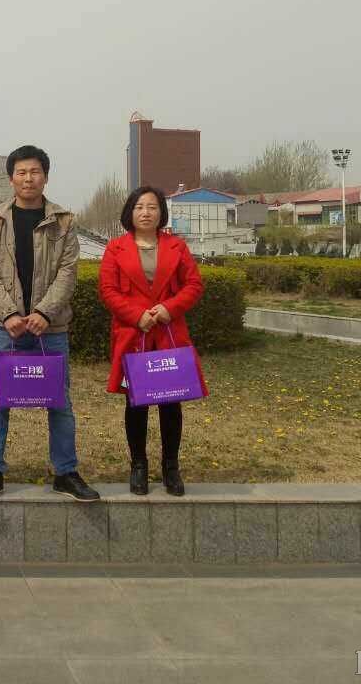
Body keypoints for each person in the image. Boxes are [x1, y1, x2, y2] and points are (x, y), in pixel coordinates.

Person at [0, 146, 100, 502]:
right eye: (21, 172)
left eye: (35, 172)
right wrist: (8, 314)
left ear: (45, 176)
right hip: (5, 328)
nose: (28, 178)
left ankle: (66, 472)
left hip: (51, 327)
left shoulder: (63, 220)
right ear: (11, 178)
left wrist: (44, 313)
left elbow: (68, 271)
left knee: (59, 401)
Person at [97, 185, 207, 496]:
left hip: (168, 333)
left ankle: (171, 467)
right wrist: (136, 315)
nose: (146, 212)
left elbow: (193, 284)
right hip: (134, 335)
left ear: (161, 212)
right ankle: (139, 466)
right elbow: (108, 290)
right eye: (139, 207)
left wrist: (169, 308)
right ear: (130, 213)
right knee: (136, 404)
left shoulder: (177, 246)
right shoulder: (116, 248)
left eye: (152, 207)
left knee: (171, 402)